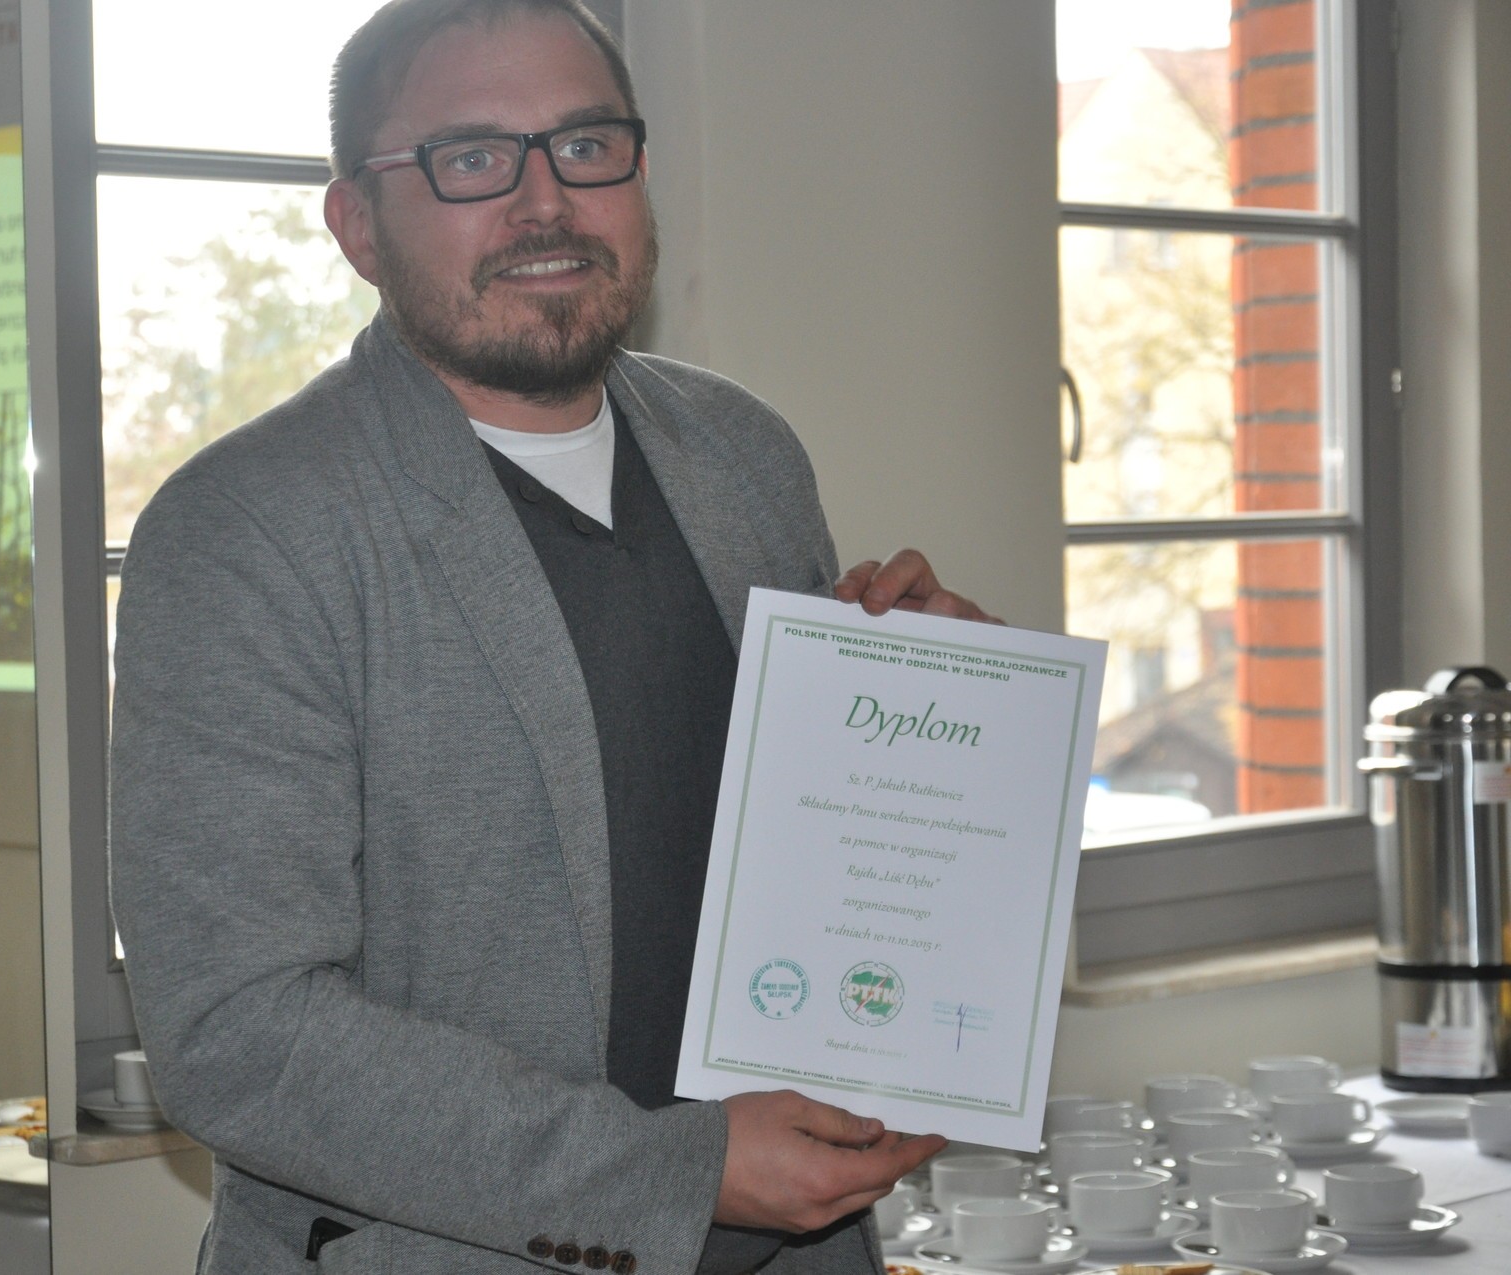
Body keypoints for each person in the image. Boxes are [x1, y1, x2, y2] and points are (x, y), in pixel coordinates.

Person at [108, 2, 996, 1272]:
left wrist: (937, 704)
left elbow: (814, 862)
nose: (546, 202)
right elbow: (240, 1032)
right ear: (357, 224)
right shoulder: (248, 529)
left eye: (586, 146)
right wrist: (674, 1175)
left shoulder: (746, 457)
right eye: (470, 158)